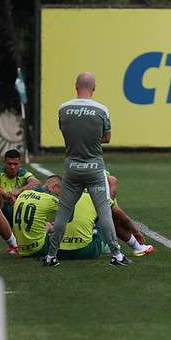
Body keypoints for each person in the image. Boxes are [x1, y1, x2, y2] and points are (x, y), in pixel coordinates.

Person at [43, 72, 129, 267]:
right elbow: (107, 138)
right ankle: (116, 254)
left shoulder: (63, 109)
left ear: (76, 86)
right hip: (94, 168)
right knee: (104, 212)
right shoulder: (101, 110)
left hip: (72, 168)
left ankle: (50, 256)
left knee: (63, 214)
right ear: (94, 87)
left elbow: (66, 133)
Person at [60, 172, 155, 259]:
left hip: (57, 250)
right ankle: (137, 247)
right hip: (88, 250)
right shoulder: (101, 192)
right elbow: (122, 218)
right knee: (112, 219)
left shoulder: (68, 189)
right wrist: (136, 232)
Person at [0, 149, 40, 227]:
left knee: (37, 192)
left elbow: (36, 183)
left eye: (15, 164)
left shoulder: (23, 173)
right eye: (9, 164)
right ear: (4, 163)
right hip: (1, 208)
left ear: (20, 163)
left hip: (18, 207)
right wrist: (5, 194)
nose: (12, 167)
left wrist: (20, 190)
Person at [13, 175, 63, 257]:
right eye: (59, 192)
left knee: (47, 225)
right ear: (54, 187)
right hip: (39, 249)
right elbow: (70, 215)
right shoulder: (49, 199)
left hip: (22, 249)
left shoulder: (23, 194)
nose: (59, 195)